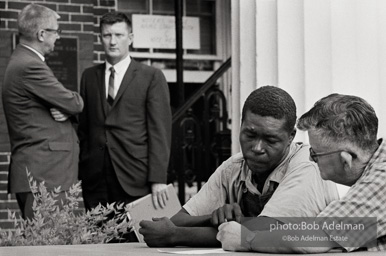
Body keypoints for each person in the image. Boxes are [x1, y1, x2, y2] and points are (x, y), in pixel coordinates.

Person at [139, 86, 339, 247]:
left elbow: (267, 231)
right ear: (240, 125)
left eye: (271, 140)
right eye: (250, 135)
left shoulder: (308, 165)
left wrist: (175, 236)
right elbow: (178, 220)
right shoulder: (233, 168)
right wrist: (211, 217)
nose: (257, 148)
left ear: (290, 138)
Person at [217, 93, 386, 253]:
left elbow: (311, 239)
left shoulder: (381, 181)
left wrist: (246, 239)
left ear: (346, 160)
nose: (311, 160)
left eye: (315, 154)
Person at [78, 12, 172, 212]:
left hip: (135, 178)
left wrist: (158, 179)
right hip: (95, 180)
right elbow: (84, 128)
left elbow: (159, 132)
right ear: (100, 38)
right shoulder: (88, 77)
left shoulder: (151, 77)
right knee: (98, 240)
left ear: (130, 38)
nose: (112, 42)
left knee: (134, 242)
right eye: (107, 35)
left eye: (119, 35)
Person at [2, 4, 83, 220]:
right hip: (44, 175)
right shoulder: (30, 65)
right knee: (48, 249)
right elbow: (73, 103)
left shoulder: (23, 61)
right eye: (56, 31)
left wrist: (65, 110)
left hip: (42, 175)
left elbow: (61, 105)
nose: (58, 36)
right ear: (41, 34)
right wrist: (72, 105)